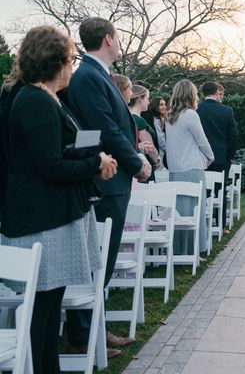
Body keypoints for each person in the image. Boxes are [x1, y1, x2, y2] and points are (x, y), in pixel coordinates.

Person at [0, 26, 117, 373]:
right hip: (43, 218)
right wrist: (95, 163)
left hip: (55, 215)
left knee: (52, 303)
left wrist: (90, 158)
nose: (71, 67)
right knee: (43, 305)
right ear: (53, 62)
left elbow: (57, 151)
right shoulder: (34, 100)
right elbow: (50, 166)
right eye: (68, 60)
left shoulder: (45, 97)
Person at [66, 17, 151, 354]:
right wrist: (136, 163)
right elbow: (107, 129)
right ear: (107, 39)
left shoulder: (97, 74)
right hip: (107, 180)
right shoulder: (88, 76)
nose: (119, 43)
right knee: (97, 261)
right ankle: (85, 335)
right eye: (117, 37)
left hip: (114, 178)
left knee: (105, 259)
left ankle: (97, 328)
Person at [165, 79, 214, 255]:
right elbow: (202, 140)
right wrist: (210, 156)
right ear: (190, 95)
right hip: (192, 169)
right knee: (194, 210)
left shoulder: (170, 116)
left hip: (175, 170)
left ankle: (179, 250)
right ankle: (194, 249)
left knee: (178, 212)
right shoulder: (191, 115)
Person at [197, 81, 238, 233]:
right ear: (216, 93)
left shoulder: (196, 110)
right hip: (221, 158)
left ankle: (203, 224)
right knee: (220, 191)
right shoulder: (227, 111)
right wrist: (229, 156)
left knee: (203, 192)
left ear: (202, 94)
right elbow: (233, 136)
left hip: (201, 158)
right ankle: (221, 225)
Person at [129, 84, 161, 181]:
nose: (149, 102)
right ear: (140, 98)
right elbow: (149, 146)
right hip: (144, 166)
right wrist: (156, 161)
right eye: (147, 98)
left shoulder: (126, 117)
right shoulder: (138, 120)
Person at [149, 97, 167, 164]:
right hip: (161, 154)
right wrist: (171, 151)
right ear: (156, 106)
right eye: (161, 105)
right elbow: (161, 140)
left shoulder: (162, 119)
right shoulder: (156, 121)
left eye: (165, 104)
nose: (164, 107)